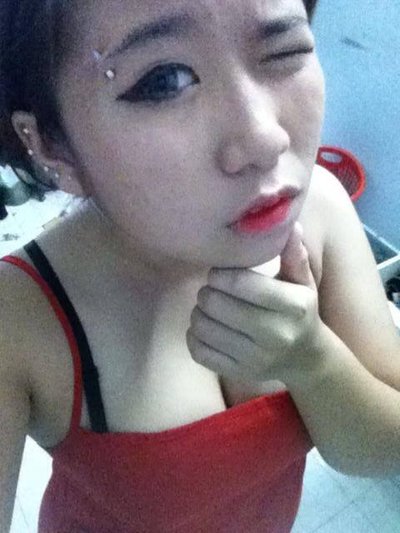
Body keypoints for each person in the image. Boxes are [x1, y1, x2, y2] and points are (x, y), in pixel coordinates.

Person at [1, 0, 400, 531]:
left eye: (282, 50)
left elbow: (383, 450)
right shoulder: (19, 316)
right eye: (163, 81)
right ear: (51, 145)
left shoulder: (321, 210)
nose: (265, 139)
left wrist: (312, 360)